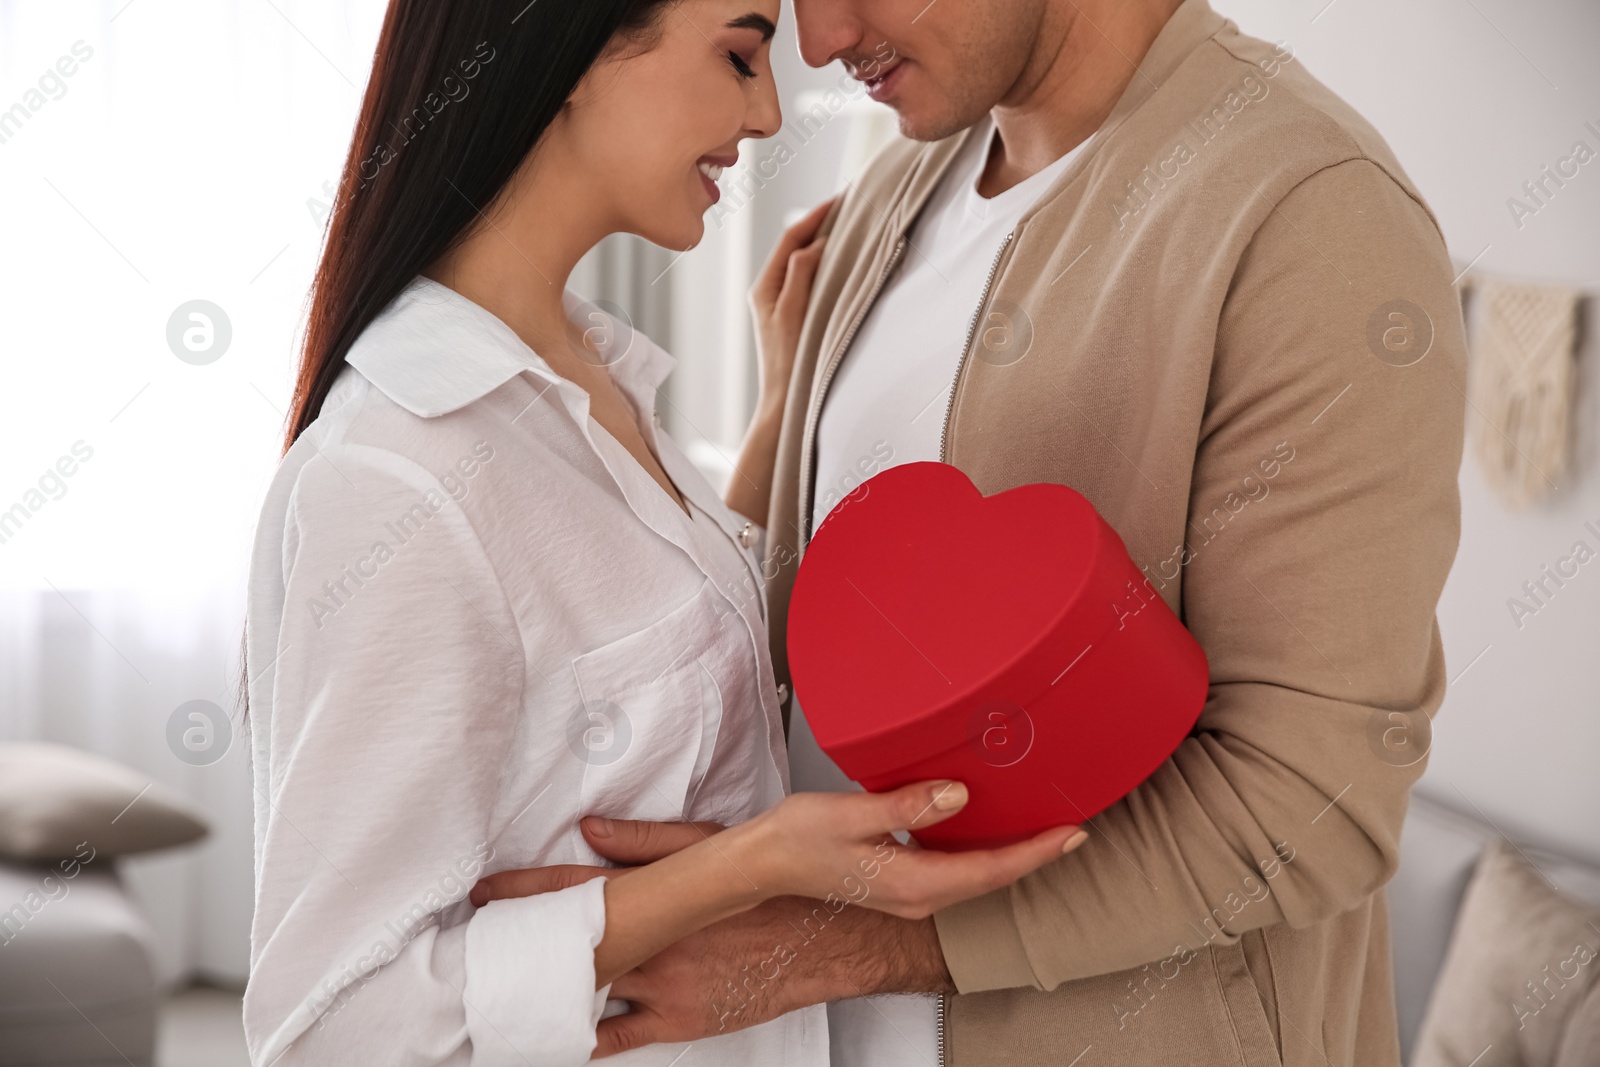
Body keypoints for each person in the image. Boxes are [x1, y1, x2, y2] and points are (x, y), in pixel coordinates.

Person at [476, 0, 1469, 1064]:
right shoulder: (898, 188)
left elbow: (1311, 796)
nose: (817, 42)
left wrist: (828, 949)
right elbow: (796, 651)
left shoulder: (1309, 215)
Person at [240, 1, 1088, 1064]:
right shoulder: (402, 472)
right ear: (571, 47)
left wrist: (786, 407)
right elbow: (332, 1028)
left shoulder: (595, 381)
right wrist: (750, 866)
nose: (771, 109)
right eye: (738, 55)